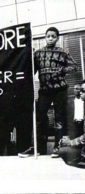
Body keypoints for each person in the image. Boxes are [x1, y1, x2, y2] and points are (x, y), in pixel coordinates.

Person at [18, 27, 78, 158]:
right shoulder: (38, 53)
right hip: (44, 90)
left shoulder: (63, 52)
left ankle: (58, 147)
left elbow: (74, 66)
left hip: (60, 89)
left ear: (57, 38)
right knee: (40, 119)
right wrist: (27, 55)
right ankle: (38, 148)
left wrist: (62, 71)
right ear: (45, 37)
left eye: (53, 36)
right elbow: (30, 69)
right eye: (48, 36)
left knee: (59, 118)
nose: (51, 38)